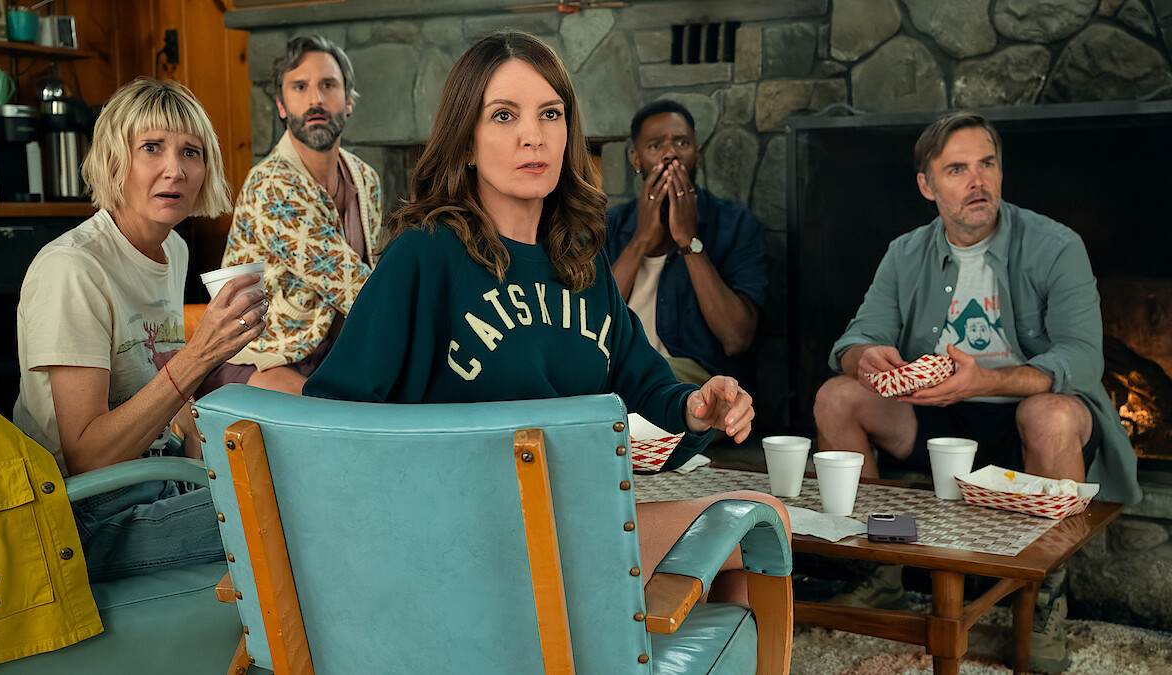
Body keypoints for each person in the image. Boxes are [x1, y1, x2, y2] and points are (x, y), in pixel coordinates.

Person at [304, 30, 787, 603]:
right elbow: (333, 415)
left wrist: (696, 404)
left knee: (752, 527)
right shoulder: (426, 253)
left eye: (550, 114)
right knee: (753, 524)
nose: (533, 136)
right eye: (504, 116)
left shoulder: (579, 257)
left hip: (568, 514)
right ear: (466, 141)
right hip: (462, 534)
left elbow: (642, 378)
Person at [812, 111, 1140, 672]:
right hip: (936, 417)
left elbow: (1083, 359)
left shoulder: (1057, 246)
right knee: (836, 396)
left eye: (987, 164)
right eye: (958, 169)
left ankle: (1043, 601)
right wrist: (864, 358)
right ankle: (883, 570)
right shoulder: (904, 252)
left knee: (1053, 415)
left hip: (1023, 420)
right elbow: (857, 337)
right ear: (927, 186)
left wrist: (987, 380)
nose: (978, 181)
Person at [13, 78, 269, 581]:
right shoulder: (72, 269)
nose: (174, 169)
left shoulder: (172, 250)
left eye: (190, 152)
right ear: (114, 159)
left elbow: (170, 394)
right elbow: (87, 456)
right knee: (286, 512)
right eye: (151, 148)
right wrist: (199, 354)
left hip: (156, 477)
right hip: (81, 516)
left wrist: (203, 473)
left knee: (293, 478)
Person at [215, 35, 382, 396]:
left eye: (328, 85)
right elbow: (355, 286)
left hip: (330, 357)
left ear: (348, 101)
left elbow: (377, 271)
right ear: (280, 104)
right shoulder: (272, 183)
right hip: (260, 357)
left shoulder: (365, 178)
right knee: (349, 417)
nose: (315, 99)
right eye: (300, 87)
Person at [604, 100, 769, 385]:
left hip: (699, 383)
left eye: (682, 143)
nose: (671, 155)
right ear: (636, 160)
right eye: (656, 146)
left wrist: (689, 241)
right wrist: (640, 241)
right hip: (619, 375)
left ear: (698, 155)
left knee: (655, 381)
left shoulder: (736, 225)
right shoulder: (609, 227)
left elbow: (735, 338)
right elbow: (591, 326)